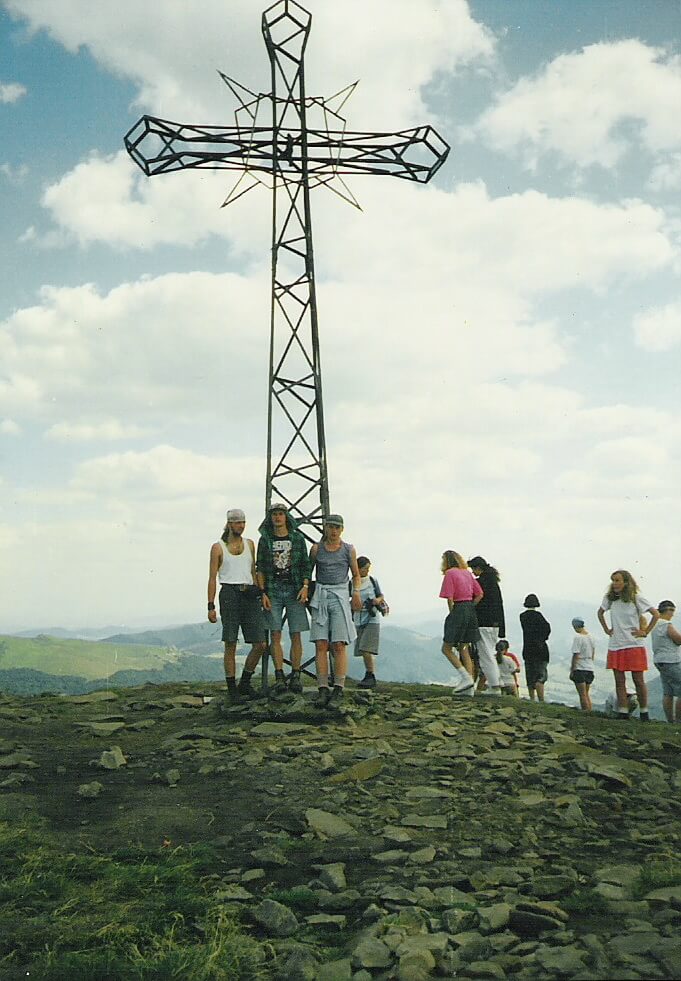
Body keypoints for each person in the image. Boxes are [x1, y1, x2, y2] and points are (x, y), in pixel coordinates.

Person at [207, 508, 266, 702]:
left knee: (260, 643)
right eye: (237, 522)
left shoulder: (250, 544)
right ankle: (233, 689)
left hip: (249, 593)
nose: (241, 526)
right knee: (230, 642)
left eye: (243, 522)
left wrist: (261, 592)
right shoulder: (218, 547)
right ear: (229, 524)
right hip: (229, 594)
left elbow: (253, 570)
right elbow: (212, 578)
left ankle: (245, 683)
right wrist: (211, 605)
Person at [256, 503, 312, 695]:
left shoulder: (297, 538)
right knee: (275, 634)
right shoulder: (265, 540)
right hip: (272, 590)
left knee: (296, 633)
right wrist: (262, 592)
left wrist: (305, 587)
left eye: (280, 514)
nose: (277, 518)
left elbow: (306, 564)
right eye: (274, 515)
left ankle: (295, 674)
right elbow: (260, 567)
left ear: (286, 516)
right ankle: (279, 676)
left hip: (295, 589)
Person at [309, 514, 361, 708]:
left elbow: (355, 574)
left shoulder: (348, 550)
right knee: (321, 643)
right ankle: (322, 688)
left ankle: (339, 687)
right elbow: (309, 572)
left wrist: (355, 593)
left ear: (342, 529)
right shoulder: (316, 549)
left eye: (336, 527)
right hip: (321, 595)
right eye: (330, 526)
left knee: (339, 644)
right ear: (326, 528)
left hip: (340, 595)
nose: (333, 530)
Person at [598, 569, 659, 722]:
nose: (615, 584)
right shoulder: (610, 599)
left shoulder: (636, 598)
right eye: (613, 580)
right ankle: (623, 711)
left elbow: (655, 614)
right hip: (616, 644)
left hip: (633, 644)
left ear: (626, 582)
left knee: (638, 679)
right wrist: (607, 629)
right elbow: (600, 612)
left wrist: (644, 631)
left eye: (618, 580)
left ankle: (644, 712)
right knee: (619, 680)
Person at [439, 551, 482, 695]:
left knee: (446, 648)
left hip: (459, 608)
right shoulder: (467, 573)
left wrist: (453, 614)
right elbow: (480, 593)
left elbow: (449, 597)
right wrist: (470, 606)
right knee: (464, 648)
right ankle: (469, 690)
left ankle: (465, 678)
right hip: (470, 609)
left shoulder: (450, 573)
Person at [469, 556, 506, 696]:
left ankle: (494, 685)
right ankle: (497, 680)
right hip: (495, 624)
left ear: (479, 568)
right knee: (489, 651)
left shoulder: (481, 583)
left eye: (473, 569)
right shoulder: (493, 582)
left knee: (485, 655)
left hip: (484, 622)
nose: (473, 572)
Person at [353, 556, 388, 689]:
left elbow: (380, 595)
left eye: (368, 568)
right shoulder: (352, 583)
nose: (367, 571)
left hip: (372, 618)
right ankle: (369, 675)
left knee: (365, 648)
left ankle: (370, 675)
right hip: (359, 618)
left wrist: (377, 601)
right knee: (363, 649)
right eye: (365, 568)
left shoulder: (372, 580)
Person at [651, 600, 681, 723]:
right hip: (671, 660)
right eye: (672, 611)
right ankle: (679, 720)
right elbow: (678, 640)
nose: (673, 614)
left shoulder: (655, 625)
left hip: (659, 660)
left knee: (667, 692)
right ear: (668, 610)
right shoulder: (666, 624)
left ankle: (670, 720)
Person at [519, 594, 551, 701]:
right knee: (540, 676)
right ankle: (541, 699)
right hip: (540, 650)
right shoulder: (539, 616)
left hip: (528, 649)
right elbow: (547, 628)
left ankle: (532, 698)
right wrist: (542, 639)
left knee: (530, 675)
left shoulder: (522, 616)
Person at [570, 617, 595, 711]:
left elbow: (576, 654)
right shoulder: (591, 637)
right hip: (589, 668)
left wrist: (572, 669)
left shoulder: (578, 637)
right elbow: (593, 653)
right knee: (586, 693)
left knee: (582, 694)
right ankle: (590, 712)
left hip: (580, 667)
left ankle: (585, 711)